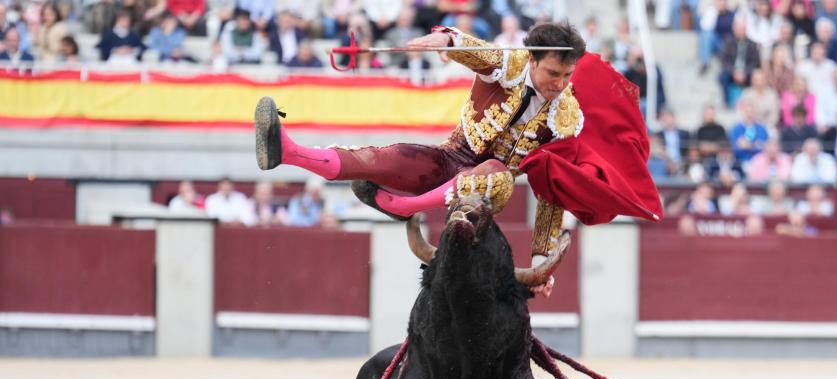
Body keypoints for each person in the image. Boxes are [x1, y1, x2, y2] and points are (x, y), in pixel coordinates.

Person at [254, 22, 661, 296]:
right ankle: (288, 151)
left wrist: (540, 261)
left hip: (483, 194)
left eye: (567, 76)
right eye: (554, 73)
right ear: (533, 60)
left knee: (499, 175)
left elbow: (551, 188)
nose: (560, 84)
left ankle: (399, 206)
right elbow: (477, 52)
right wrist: (447, 41)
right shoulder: (510, 64)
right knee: (383, 159)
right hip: (449, 160)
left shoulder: (567, 119)